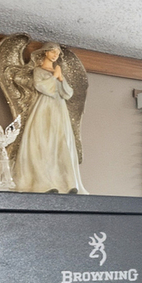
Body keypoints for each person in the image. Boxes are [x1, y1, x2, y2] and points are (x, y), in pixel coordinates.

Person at [14, 44, 87, 194]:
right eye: (53, 51)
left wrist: (60, 78)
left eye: (58, 53)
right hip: (44, 108)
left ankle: (67, 183)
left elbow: (68, 94)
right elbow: (42, 87)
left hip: (59, 109)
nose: (55, 55)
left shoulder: (58, 71)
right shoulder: (39, 71)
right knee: (44, 142)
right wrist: (54, 76)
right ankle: (43, 182)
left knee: (61, 142)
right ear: (45, 52)